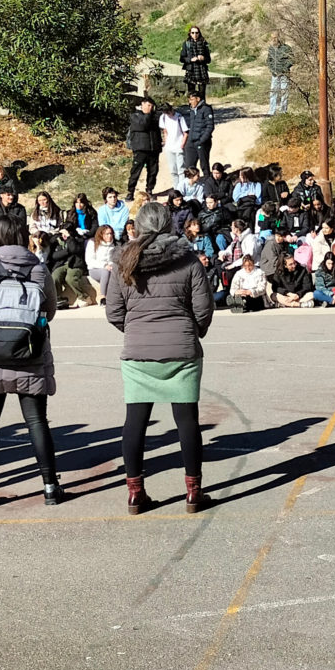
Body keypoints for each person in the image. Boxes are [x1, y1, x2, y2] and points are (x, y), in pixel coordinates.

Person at [106, 201, 215, 515]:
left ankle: (135, 493)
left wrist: (136, 330)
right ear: (170, 225)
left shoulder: (124, 262)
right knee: (187, 421)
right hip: (181, 348)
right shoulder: (188, 260)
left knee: (135, 423)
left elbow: (114, 311)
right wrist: (193, 332)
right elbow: (204, 308)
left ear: (138, 227)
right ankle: (193, 492)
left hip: (138, 351)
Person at [0, 215, 64, 510]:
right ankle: (50, 486)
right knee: (36, 421)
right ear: (23, 236)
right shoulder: (38, 268)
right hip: (29, 353)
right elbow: (50, 309)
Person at [127, 96, 162, 200]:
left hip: (153, 149)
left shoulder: (154, 116)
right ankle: (130, 191)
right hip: (140, 148)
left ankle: (149, 190)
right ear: (142, 104)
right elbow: (143, 125)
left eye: (151, 106)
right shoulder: (135, 116)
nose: (150, 108)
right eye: (148, 105)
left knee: (153, 171)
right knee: (136, 171)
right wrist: (147, 115)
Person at [159, 102, 189, 190]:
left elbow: (185, 133)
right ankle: (176, 189)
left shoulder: (179, 117)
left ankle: (182, 188)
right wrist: (165, 142)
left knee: (181, 169)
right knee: (173, 170)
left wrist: (182, 144)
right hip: (169, 147)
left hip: (179, 146)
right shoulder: (163, 117)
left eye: (169, 112)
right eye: (166, 113)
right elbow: (165, 131)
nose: (169, 115)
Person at [184, 92, 215, 177]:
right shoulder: (192, 110)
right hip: (191, 141)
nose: (190, 102)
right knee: (189, 166)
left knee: (204, 165)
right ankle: (191, 184)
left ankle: (207, 183)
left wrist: (201, 140)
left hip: (202, 142)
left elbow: (210, 127)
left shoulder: (206, 109)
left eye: (192, 99)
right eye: (189, 100)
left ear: (198, 99)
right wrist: (189, 140)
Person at [267, 32, 293, 116]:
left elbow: (292, 59)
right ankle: (271, 111)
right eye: (272, 38)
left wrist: (284, 69)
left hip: (284, 74)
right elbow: (268, 60)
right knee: (273, 92)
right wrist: (271, 69)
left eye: (275, 37)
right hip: (274, 74)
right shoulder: (271, 48)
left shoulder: (286, 48)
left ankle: (283, 111)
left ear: (279, 38)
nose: (273, 39)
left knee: (284, 92)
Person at [180, 26, 211, 98]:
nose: (195, 34)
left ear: (199, 33)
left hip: (202, 70)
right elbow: (182, 58)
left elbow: (209, 59)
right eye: (193, 33)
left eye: (196, 33)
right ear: (190, 34)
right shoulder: (186, 44)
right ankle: (192, 107)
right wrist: (190, 60)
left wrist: (203, 58)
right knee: (191, 93)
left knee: (202, 93)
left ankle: (202, 107)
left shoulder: (204, 44)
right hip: (191, 70)